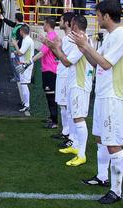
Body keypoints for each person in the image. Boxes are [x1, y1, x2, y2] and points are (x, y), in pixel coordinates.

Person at [70, 0, 123, 205]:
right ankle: (102, 177)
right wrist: (84, 48)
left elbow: (105, 64)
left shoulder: (122, 35)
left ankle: (116, 191)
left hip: (115, 97)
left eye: (97, 15)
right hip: (103, 94)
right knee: (100, 138)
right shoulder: (110, 36)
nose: (96, 19)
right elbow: (95, 61)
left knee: (113, 144)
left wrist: (85, 46)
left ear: (106, 16)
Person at [45, 14, 93, 167]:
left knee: (78, 118)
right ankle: (76, 146)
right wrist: (55, 48)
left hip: (80, 84)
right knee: (74, 115)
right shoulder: (78, 40)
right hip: (74, 82)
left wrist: (55, 48)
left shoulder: (82, 41)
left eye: (71, 24)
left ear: (75, 26)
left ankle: (81, 154)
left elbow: (65, 61)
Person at [50, 12, 74, 147]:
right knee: (62, 104)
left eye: (61, 20)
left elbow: (65, 57)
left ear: (67, 22)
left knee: (66, 105)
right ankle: (66, 131)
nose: (59, 21)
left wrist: (55, 46)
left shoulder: (70, 39)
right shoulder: (66, 38)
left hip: (66, 74)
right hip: (62, 72)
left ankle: (69, 133)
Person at [32, 17, 59, 129]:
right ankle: (52, 117)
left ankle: (54, 121)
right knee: (49, 95)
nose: (43, 26)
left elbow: (42, 53)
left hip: (50, 70)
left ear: (47, 24)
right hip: (48, 69)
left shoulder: (51, 36)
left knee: (51, 95)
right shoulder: (51, 36)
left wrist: (29, 61)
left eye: (43, 24)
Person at [13, 24, 34, 116]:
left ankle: (27, 104)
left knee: (24, 84)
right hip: (25, 64)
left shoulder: (27, 40)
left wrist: (15, 45)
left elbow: (20, 53)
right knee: (23, 84)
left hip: (26, 65)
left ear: (21, 31)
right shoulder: (27, 40)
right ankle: (25, 103)